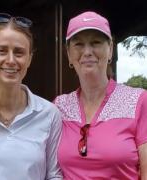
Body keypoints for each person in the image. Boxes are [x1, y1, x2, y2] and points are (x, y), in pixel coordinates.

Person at [0, 13, 62, 180]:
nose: (11, 60)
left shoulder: (49, 113)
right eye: (2, 51)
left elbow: (54, 175)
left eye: (19, 53)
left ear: (30, 59)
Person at [54, 11, 147, 179]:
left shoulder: (139, 101)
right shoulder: (58, 107)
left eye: (96, 42)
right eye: (78, 44)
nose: (87, 51)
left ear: (110, 49)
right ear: (68, 53)